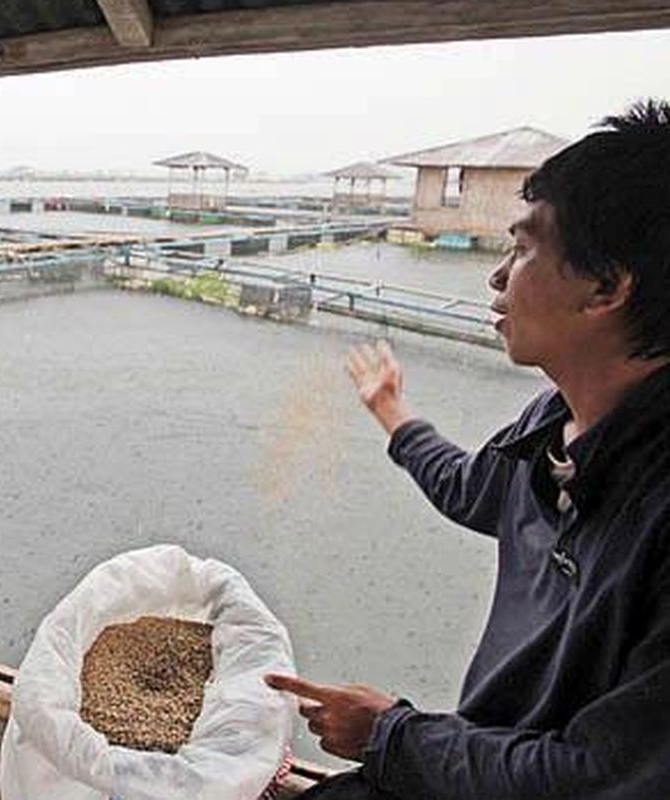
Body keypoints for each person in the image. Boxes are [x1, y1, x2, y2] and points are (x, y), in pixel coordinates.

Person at [265, 99, 670, 799]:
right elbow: (473, 489)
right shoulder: (551, 426)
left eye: (522, 249)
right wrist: (390, 410)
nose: (496, 276)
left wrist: (389, 733)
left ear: (606, 287)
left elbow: (598, 780)